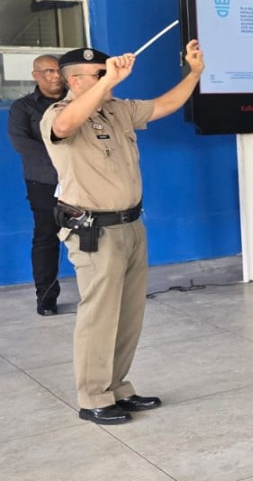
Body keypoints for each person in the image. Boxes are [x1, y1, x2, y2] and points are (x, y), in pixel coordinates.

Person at [41, 41, 204, 425]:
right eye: (99, 75)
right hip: (94, 231)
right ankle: (93, 396)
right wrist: (107, 81)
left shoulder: (118, 110)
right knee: (99, 315)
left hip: (131, 225)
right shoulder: (60, 113)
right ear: (75, 81)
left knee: (129, 313)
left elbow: (164, 105)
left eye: (107, 73)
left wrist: (194, 73)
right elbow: (65, 127)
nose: (108, 80)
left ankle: (116, 387)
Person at [7, 53, 65, 315]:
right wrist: (64, 158)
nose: (55, 77)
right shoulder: (23, 107)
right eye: (48, 72)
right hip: (44, 182)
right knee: (46, 238)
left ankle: (97, 295)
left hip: (84, 181)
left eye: (58, 71)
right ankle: (47, 297)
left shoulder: (77, 102)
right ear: (36, 75)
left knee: (92, 236)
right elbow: (22, 144)